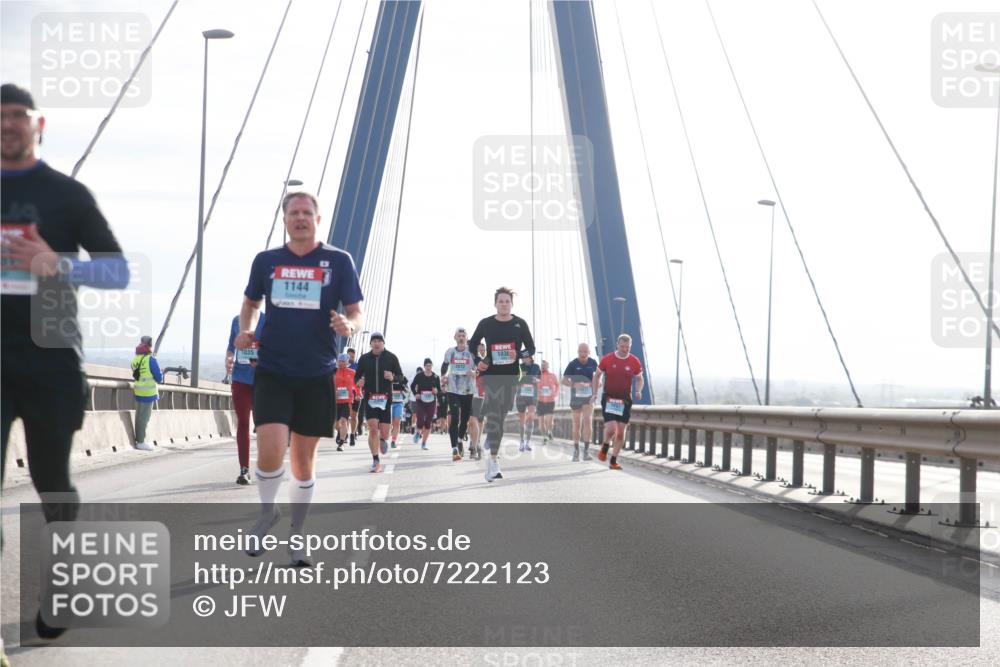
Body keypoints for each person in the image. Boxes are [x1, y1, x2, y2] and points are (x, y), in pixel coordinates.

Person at [1, 83, 130, 639]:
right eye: (0, 116)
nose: (8, 124)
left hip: (51, 359)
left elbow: (117, 271)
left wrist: (58, 263)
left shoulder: (67, 196)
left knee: (52, 482)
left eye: (18, 115)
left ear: (38, 125)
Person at [237, 191, 363, 565]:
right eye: (294, 212)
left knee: (303, 461)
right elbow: (250, 303)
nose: (301, 218)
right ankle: (267, 512)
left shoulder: (339, 261)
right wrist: (246, 329)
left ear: (318, 220)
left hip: (317, 373)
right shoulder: (266, 261)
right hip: (273, 370)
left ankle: (297, 533)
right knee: (271, 449)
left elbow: (356, 312)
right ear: (285, 220)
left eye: (307, 212)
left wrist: (350, 326)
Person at [469, 287, 535, 482]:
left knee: (502, 414)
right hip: (490, 376)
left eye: (507, 301)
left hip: (511, 377)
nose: (504, 304)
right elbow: (472, 345)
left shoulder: (519, 324)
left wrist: (519, 354)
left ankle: (492, 441)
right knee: (495, 416)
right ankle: (493, 462)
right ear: (495, 303)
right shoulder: (486, 323)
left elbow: (531, 348)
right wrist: (478, 361)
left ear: (511, 304)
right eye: (501, 301)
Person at [353, 332, 403, 472]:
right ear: (370, 344)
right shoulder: (364, 358)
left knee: (385, 433)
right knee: (373, 429)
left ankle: (383, 440)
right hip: (370, 398)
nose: (376, 343)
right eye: (373, 341)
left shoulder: (391, 358)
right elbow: (356, 377)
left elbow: (400, 377)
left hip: (385, 399)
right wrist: (358, 382)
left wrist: (392, 377)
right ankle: (376, 460)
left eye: (379, 341)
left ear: (383, 343)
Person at [593, 334, 644, 470]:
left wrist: (638, 390)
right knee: (611, 429)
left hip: (625, 400)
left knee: (620, 432)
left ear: (630, 346)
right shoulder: (608, 359)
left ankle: (613, 460)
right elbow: (597, 375)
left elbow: (640, 378)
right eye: (622, 346)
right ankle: (605, 446)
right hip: (609, 398)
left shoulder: (634, 361)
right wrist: (595, 393)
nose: (625, 349)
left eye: (627, 347)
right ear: (617, 345)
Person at [226, 312, 265, 483]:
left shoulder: (268, 321)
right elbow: (231, 346)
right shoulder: (236, 321)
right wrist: (228, 358)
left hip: (263, 381)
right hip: (240, 379)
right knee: (243, 423)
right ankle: (244, 470)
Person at [441, 327, 476, 461]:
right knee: (455, 418)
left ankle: (460, 439)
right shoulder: (450, 352)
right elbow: (444, 366)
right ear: (455, 338)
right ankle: (454, 448)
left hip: (468, 390)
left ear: (467, 338)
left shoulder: (471, 352)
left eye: (463, 336)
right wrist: (443, 377)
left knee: (465, 420)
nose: (461, 338)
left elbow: (480, 367)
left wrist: (475, 373)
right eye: (459, 336)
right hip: (453, 389)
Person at [562, 342, 598, 461]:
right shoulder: (573, 364)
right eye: (581, 352)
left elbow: (598, 379)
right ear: (578, 352)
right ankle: (576, 451)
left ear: (589, 352)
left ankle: (586, 452)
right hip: (576, 397)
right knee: (577, 424)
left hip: (588, 397)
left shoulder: (593, 363)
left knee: (587, 421)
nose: (583, 354)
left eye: (585, 352)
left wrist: (595, 386)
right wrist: (574, 384)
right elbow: (563, 380)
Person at [130, 335, 163, 452]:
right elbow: (159, 378)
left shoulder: (135, 359)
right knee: (144, 418)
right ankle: (141, 442)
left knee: (139, 417)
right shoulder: (151, 359)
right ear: (150, 345)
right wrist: (161, 373)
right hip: (148, 393)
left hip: (138, 391)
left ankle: (140, 440)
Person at [410, 358, 440, 450]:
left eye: (430, 365)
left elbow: (439, 389)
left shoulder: (436, 377)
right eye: (427, 366)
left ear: (432, 366)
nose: (428, 367)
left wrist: (436, 391)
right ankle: (418, 432)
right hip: (421, 401)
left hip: (431, 402)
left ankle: (424, 443)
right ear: (424, 366)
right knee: (420, 420)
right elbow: (412, 385)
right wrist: (416, 394)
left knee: (428, 422)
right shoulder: (419, 376)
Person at [515, 353, 541, 451]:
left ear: (530, 358)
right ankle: (521, 442)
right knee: (522, 419)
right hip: (521, 395)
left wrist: (536, 380)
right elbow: (516, 379)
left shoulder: (536, 367)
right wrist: (528, 378)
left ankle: (528, 442)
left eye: (525, 357)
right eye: (522, 357)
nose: (523, 359)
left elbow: (539, 379)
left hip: (532, 395)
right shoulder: (519, 367)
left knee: (531, 416)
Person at [467, 342, 488, 460]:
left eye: (483, 350)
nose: (481, 352)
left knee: (478, 419)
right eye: (479, 350)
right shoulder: (464, 358)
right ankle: (474, 442)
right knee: (471, 421)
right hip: (466, 393)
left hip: (479, 393)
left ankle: (476, 444)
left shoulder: (483, 361)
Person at [333, 353, 356, 452]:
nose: (341, 363)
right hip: (335, 400)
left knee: (344, 420)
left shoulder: (352, 372)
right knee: (336, 424)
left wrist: (358, 393)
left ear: (347, 362)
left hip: (347, 400)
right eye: (339, 361)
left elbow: (357, 385)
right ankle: (340, 432)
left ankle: (341, 443)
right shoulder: (333, 371)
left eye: (343, 361)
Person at [536, 359, 559, 443]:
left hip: (550, 401)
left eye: (545, 365)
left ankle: (549, 431)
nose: (543, 367)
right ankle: (544, 437)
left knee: (549, 421)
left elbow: (558, 385)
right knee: (541, 422)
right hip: (540, 401)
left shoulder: (552, 376)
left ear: (548, 366)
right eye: (542, 366)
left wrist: (555, 394)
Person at [389, 368, 409, 449]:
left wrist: (403, 388)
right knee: (389, 423)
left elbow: (407, 390)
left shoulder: (402, 378)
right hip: (388, 403)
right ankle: (385, 438)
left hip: (399, 403)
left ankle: (393, 441)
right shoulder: (387, 376)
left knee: (397, 423)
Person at [347, 347, 363, 445]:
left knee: (354, 415)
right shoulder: (341, 366)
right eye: (349, 356)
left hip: (356, 393)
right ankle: (343, 434)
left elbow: (362, 379)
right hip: (345, 394)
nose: (351, 358)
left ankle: (353, 434)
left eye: (353, 357)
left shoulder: (357, 366)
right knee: (345, 415)